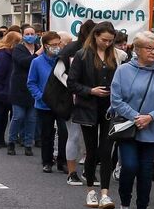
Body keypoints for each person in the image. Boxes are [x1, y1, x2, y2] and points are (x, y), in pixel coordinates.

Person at [110, 31, 154, 209]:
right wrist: (135, 116)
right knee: (129, 166)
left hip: (152, 128)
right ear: (137, 50)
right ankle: (124, 205)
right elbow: (116, 99)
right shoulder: (122, 71)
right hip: (128, 128)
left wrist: (150, 117)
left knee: (146, 172)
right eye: (149, 48)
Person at [69, 22, 120, 209]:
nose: (107, 43)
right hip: (88, 107)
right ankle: (91, 189)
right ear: (95, 36)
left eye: (110, 41)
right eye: (103, 40)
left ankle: (105, 194)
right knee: (91, 151)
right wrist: (91, 90)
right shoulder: (82, 56)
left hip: (108, 109)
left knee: (106, 151)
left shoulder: (114, 56)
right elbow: (72, 83)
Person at [59, 21, 95, 186]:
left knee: (92, 138)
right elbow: (58, 72)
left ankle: (89, 171)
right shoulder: (72, 49)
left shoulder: (100, 50)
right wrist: (75, 87)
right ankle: (72, 172)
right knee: (74, 135)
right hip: (72, 99)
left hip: (93, 98)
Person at [29, 31, 69, 173]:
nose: (57, 47)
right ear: (46, 46)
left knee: (64, 132)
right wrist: (41, 96)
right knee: (47, 133)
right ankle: (47, 161)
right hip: (44, 104)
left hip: (61, 103)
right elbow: (31, 83)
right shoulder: (37, 62)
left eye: (59, 44)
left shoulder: (63, 60)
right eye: (54, 45)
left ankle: (62, 161)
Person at [7, 26, 39, 156]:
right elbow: (25, 62)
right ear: (23, 35)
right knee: (18, 116)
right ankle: (12, 141)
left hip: (34, 88)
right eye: (27, 33)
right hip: (19, 88)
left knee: (31, 118)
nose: (30, 36)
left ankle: (28, 144)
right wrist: (38, 53)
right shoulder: (18, 49)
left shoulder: (37, 48)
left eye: (32, 33)